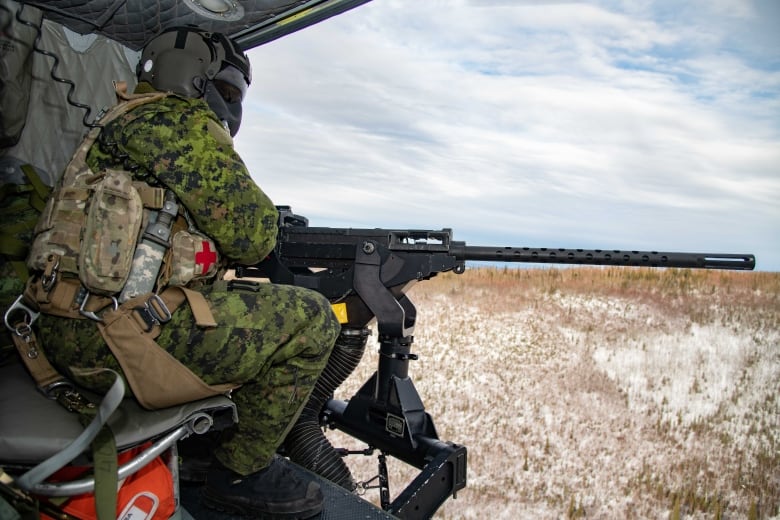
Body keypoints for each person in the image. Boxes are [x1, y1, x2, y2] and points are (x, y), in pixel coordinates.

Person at [27, 27, 341, 519]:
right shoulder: (176, 119)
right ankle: (239, 473)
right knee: (313, 320)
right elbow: (254, 234)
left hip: (60, 329)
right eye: (228, 91)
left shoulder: (123, 119)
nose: (232, 108)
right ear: (194, 77)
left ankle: (198, 451)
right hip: (109, 341)